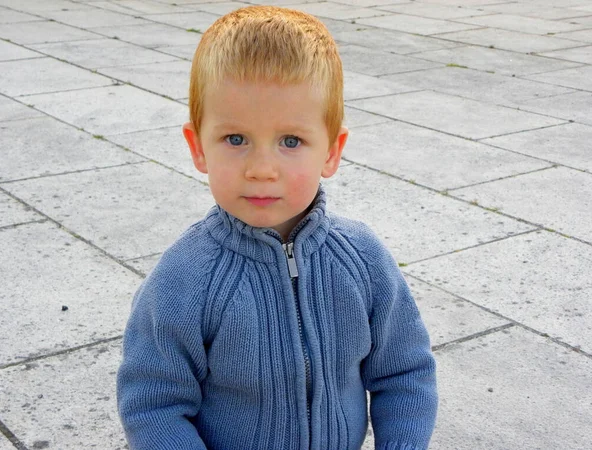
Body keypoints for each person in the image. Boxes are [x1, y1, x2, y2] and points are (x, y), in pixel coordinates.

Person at [116, 5, 437, 450]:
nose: (262, 169)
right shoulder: (183, 280)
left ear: (330, 151)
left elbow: (404, 373)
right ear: (198, 147)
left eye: (291, 141)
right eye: (236, 139)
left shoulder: (364, 261)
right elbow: (153, 406)